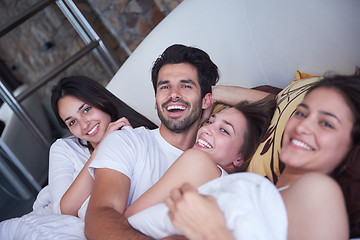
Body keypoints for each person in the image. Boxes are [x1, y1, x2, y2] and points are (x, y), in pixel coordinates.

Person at [130, 74, 360, 239]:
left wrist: (213, 232)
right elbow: (276, 104)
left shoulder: (319, 189)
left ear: (351, 144)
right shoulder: (261, 187)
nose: (303, 127)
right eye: (301, 113)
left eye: (326, 123)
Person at [84, 44, 270, 239]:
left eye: (186, 85)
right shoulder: (127, 141)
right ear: (156, 101)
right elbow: (101, 215)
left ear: (207, 100)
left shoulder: (210, 164)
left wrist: (216, 92)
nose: (173, 94)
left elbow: (280, 104)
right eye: (165, 87)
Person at [0, 75, 157, 238]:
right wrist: (101, 149)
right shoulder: (64, 148)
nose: (84, 125)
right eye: (72, 122)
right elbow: (64, 211)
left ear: (101, 101)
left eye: (86, 110)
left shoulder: (137, 135)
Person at [124, 96, 276, 217]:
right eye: (210, 121)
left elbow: (128, 222)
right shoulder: (225, 187)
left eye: (224, 130)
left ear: (240, 158)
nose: (206, 129)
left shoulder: (197, 162)